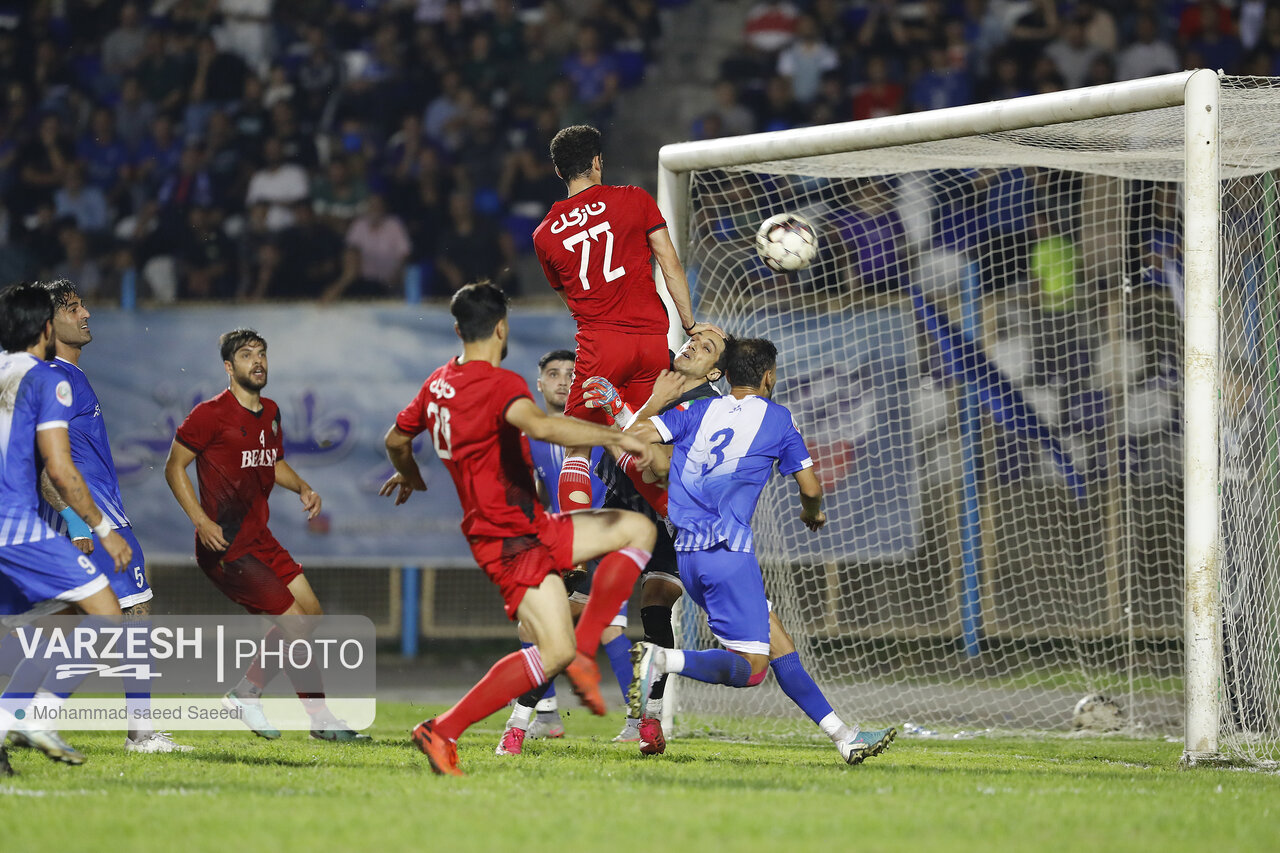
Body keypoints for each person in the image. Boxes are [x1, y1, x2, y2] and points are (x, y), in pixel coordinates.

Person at [381, 282, 657, 776]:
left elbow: (396, 438)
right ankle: (443, 729)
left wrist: (409, 473)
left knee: (636, 532)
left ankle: (583, 654)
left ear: (458, 329)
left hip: (530, 527)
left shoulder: (436, 384)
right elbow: (544, 427)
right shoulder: (500, 383)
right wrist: (616, 435)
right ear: (502, 327)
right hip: (508, 540)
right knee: (556, 645)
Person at [627, 338, 896, 765]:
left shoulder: (696, 410)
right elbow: (810, 488)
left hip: (689, 557)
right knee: (751, 669)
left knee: (778, 642)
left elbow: (636, 437)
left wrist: (656, 405)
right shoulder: (778, 419)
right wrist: (813, 514)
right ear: (769, 376)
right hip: (729, 554)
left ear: (727, 374)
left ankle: (845, 737)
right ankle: (663, 659)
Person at [163, 328, 367, 742]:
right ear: (228, 366)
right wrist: (201, 520)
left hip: (260, 538)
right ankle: (267, 701)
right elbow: (173, 466)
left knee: (311, 616)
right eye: (245, 355)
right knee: (294, 625)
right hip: (226, 547)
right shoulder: (209, 414)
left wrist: (304, 487)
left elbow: (271, 462)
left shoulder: (271, 411)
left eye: (261, 354)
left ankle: (260, 697)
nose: (256, 361)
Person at [28, 280, 188, 755]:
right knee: (129, 616)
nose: (86, 315)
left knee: (62, 628)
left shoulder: (66, 377)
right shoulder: (58, 380)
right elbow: (47, 469)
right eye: (73, 308)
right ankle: (135, 732)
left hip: (80, 522)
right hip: (96, 523)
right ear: (48, 324)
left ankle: (17, 713)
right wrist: (82, 524)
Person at [531, 124, 716, 517]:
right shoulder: (634, 198)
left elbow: (570, 298)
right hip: (651, 341)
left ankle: (576, 548)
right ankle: (679, 519)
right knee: (634, 434)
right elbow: (669, 262)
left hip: (601, 345)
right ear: (598, 162)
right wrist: (689, 322)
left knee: (578, 442)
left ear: (560, 172)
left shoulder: (544, 234)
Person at [0, 283, 132, 776]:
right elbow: (59, 467)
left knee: (55, 627)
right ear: (44, 328)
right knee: (105, 611)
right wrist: (100, 527)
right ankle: (36, 716)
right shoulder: (45, 379)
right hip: (13, 526)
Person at [578, 329, 730, 752]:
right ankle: (533, 711)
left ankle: (647, 717)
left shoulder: (709, 409)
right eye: (693, 340)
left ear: (715, 371)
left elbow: (660, 466)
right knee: (570, 592)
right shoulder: (654, 364)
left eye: (705, 348)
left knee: (657, 604)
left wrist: (630, 409)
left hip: (670, 513)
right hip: (622, 496)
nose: (691, 346)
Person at [494, 349, 621, 756]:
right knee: (539, 628)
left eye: (571, 372)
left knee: (601, 628)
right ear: (540, 383)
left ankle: (638, 718)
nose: (564, 380)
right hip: (560, 543)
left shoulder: (598, 424)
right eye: (554, 374)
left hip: (602, 535)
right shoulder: (530, 435)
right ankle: (547, 714)